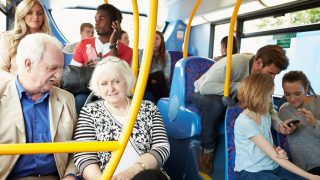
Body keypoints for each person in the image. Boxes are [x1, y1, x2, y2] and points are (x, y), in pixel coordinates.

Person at [192, 45, 292, 174]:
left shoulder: (263, 79)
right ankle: (207, 150)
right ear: (258, 62)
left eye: (275, 75)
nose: (272, 78)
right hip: (204, 93)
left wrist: (278, 124)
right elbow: (206, 87)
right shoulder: (235, 63)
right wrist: (244, 86)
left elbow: (268, 105)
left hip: (230, 96)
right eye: (270, 73)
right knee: (216, 104)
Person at [73, 56, 170, 180]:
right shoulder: (89, 112)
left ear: (127, 81)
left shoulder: (148, 108)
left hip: (144, 174)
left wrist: (134, 171)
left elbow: (161, 146)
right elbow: (83, 155)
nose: (110, 89)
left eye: (116, 81)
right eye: (104, 83)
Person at [0, 33, 78, 179]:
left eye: (61, 68)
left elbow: (77, 147)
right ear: (28, 64)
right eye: (53, 68)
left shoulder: (67, 99)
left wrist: (71, 175)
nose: (59, 76)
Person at [234, 73, 320, 179]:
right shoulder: (245, 122)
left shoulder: (265, 114)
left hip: (272, 165)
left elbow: (268, 144)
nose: (271, 100)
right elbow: (274, 155)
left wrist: (277, 150)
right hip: (252, 171)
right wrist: (313, 177)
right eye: (270, 96)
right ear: (259, 96)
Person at [68, 3, 133, 115]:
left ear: (115, 23)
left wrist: (113, 44)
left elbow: (117, 76)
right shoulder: (83, 44)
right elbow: (71, 76)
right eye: (96, 19)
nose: (96, 23)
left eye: (101, 19)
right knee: (80, 100)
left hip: (113, 93)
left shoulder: (127, 51)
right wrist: (86, 69)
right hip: (87, 91)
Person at [279, 71, 320, 175]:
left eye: (297, 93)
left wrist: (315, 123)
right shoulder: (283, 110)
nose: (292, 99)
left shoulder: (318, 102)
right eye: (287, 94)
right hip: (301, 167)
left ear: (306, 89)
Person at [0, 0, 50, 82]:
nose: (35, 17)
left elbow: (55, 73)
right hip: (14, 89)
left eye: (39, 13)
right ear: (22, 15)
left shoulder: (50, 42)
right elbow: (1, 70)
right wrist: (21, 84)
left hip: (43, 89)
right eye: (30, 13)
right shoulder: (7, 38)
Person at [139, 31, 171, 103]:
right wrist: (150, 55)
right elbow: (142, 69)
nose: (154, 41)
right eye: (152, 38)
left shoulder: (166, 55)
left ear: (161, 41)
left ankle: (160, 105)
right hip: (144, 79)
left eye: (157, 38)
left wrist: (155, 79)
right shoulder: (142, 52)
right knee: (159, 74)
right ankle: (165, 102)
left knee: (158, 77)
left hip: (158, 80)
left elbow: (167, 73)